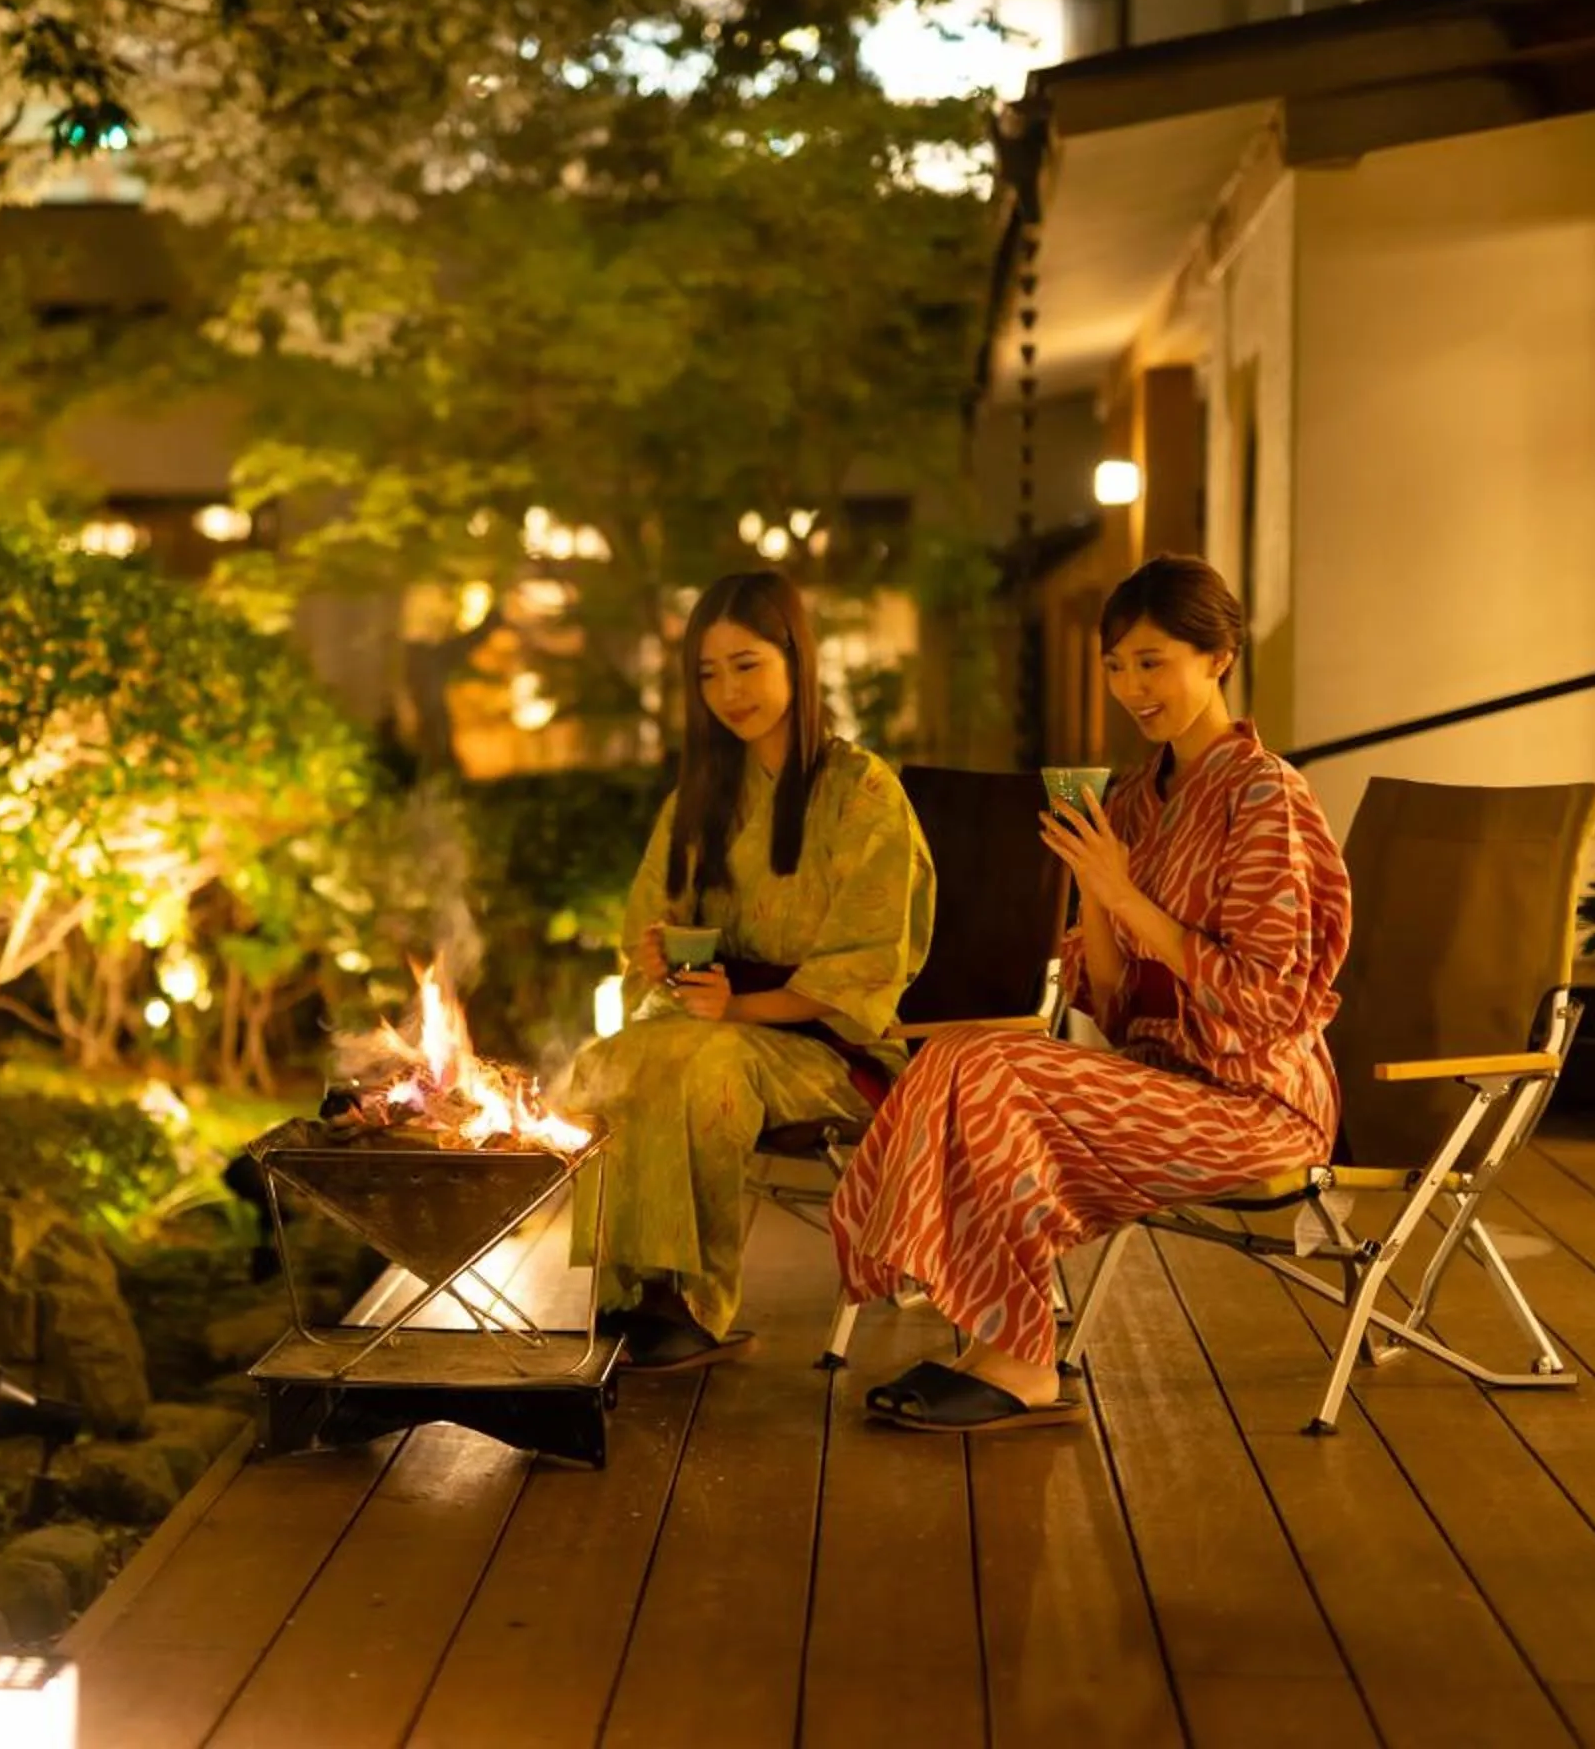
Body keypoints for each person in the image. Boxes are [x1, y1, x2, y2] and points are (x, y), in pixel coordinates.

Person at [829, 554, 1351, 1431]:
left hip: (1256, 1104)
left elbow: (1268, 1001)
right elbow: (1112, 1008)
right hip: (1158, 1081)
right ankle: (996, 1343)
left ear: (1217, 657)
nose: (1130, 686)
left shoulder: (1267, 795)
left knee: (999, 1077)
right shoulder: (1142, 796)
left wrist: (1120, 893)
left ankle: (1021, 1361)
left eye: (1153, 661)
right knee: (961, 1051)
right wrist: (1094, 896)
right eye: (1116, 665)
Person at [566, 571, 935, 1374]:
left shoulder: (861, 790)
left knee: (703, 1061)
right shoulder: (698, 797)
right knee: (609, 1060)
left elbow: (867, 965)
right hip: (715, 1020)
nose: (728, 691)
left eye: (747, 664)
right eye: (708, 673)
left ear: (796, 662)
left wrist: (741, 1009)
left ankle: (691, 1301)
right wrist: (661, 959)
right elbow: (646, 933)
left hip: (826, 1046)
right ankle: (631, 1285)